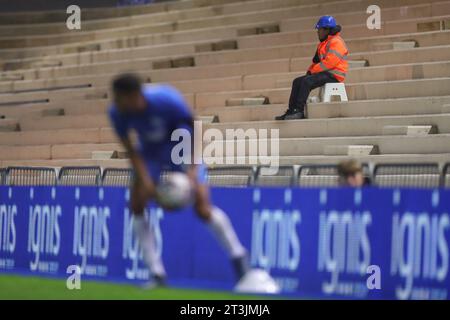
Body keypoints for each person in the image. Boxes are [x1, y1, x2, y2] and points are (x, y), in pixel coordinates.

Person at [108, 73, 249, 287]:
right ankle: (156, 273)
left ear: (133, 95)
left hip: (180, 145)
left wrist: (193, 169)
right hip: (150, 153)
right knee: (136, 204)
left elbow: (197, 127)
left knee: (202, 207)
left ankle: (238, 257)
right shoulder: (116, 113)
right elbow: (131, 149)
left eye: (119, 98)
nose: (115, 102)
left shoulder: (166, 98)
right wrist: (146, 180)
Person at [276, 15, 349, 120]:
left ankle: (299, 111)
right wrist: (310, 71)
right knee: (297, 81)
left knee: (307, 82)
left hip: (334, 74)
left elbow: (329, 63)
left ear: (327, 30)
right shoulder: (323, 44)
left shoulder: (336, 42)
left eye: (319, 29)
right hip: (326, 72)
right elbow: (316, 62)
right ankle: (292, 110)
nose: (317, 32)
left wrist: (312, 71)